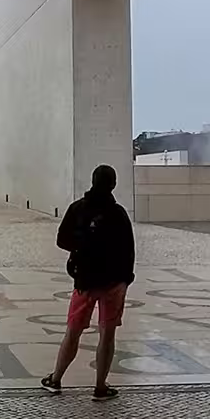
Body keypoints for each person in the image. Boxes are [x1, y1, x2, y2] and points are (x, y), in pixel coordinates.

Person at [42, 164, 135, 401]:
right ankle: (100, 387)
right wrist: (126, 279)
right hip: (113, 282)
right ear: (113, 184)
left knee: (72, 333)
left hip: (84, 280)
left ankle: (56, 379)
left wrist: (82, 246)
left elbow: (62, 240)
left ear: (92, 181)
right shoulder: (119, 214)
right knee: (107, 334)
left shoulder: (78, 209)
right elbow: (128, 251)